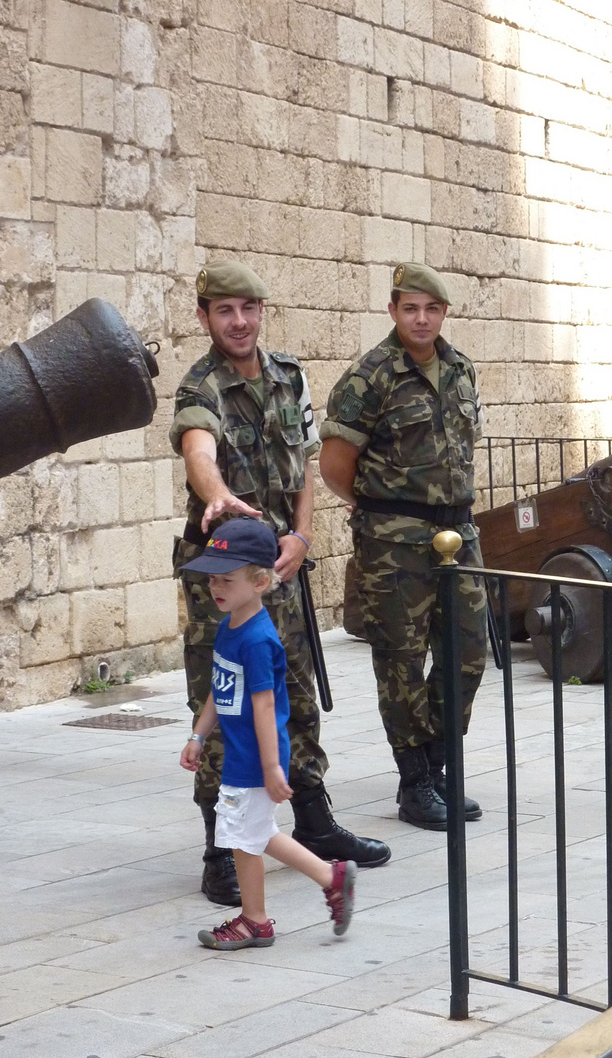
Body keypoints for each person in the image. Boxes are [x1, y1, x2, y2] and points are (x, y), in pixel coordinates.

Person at [170, 259, 390, 906]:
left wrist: (301, 537)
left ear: (262, 312)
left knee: (294, 685)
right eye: (225, 311)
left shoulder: (289, 377)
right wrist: (216, 498)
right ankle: (219, 847)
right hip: (224, 574)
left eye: (249, 308)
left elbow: (303, 469)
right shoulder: (199, 387)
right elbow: (197, 452)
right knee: (228, 695)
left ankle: (315, 822)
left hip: (280, 566)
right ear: (205, 316)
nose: (239, 322)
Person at [319, 262, 487, 831]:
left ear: (444, 314)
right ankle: (416, 782)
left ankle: (435, 766)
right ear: (393, 311)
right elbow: (335, 464)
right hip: (394, 542)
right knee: (400, 661)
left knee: (468, 652)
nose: (421, 318)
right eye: (409, 308)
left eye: (431, 309)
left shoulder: (461, 368)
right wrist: (375, 508)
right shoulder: (371, 376)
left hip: (458, 535)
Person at [179, 519, 356, 949]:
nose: (215, 587)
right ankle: (331, 877)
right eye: (211, 578)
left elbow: (264, 706)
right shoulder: (229, 627)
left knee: (245, 835)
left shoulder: (258, 640)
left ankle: (255, 921)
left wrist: (273, 766)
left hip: (253, 759)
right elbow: (217, 691)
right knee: (254, 833)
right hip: (243, 756)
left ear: (260, 581)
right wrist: (198, 736)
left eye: (226, 579)